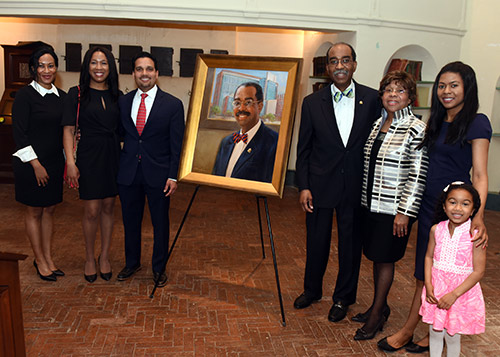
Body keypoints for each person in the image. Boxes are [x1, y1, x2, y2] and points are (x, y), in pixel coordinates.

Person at [378, 62, 491, 352]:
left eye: (454, 85)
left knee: (431, 273)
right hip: (426, 205)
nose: (446, 91)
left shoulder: (477, 122)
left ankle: (407, 331)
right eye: (441, 85)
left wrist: (476, 217)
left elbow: (479, 175)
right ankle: (432, 330)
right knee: (427, 271)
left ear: (467, 87)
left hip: (451, 212)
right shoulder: (436, 120)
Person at [294, 42, 381, 322]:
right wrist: (303, 185)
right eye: (334, 61)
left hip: (356, 185)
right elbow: (304, 148)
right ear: (327, 67)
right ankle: (312, 290)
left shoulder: (372, 99)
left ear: (354, 64)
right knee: (316, 241)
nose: (339, 66)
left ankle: (343, 297)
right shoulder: (311, 102)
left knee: (350, 245)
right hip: (320, 184)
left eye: (345, 60)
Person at [353, 71, 428, 341]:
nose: (392, 95)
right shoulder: (377, 125)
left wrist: (405, 213)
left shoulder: (416, 128)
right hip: (370, 204)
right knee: (375, 256)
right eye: (388, 90)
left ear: (410, 97)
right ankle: (379, 305)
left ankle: (376, 316)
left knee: (385, 259)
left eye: (400, 91)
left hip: (394, 211)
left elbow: (418, 175)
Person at [116, 51, 185, 287]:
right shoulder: (123, 102)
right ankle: (132, 262)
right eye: (139, 69)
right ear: (133, 73)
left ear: (156, 73)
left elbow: (178, 145)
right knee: (130, 222)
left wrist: (173, 176)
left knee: (160, 224)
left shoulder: (173, 105)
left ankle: (159, 268)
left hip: (159, 174)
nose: (144, 73)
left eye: (148, 69)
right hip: (129, 173)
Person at [62, 47, 121, 283]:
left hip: (113, 156)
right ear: (87, 66)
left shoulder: (118, 96)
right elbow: (68, 129)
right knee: (92, 210)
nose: (99, 67)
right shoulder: (75, 94)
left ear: (110, 67)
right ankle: (89, 257)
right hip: (87, 156)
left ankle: (104, 256)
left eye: (104, 63)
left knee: (109, 207)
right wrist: (70, 162)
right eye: (94, 63)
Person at [12, 46, 66, 281]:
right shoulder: (24, 96)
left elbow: (65, 131)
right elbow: (20, 134)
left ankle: (48, 257)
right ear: (34, 68)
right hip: (30, 163)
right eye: (42, 66)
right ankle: (39, 259)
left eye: (51, 65)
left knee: (50, 209)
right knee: (34, 210)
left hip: (54, 162)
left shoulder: (61, 97)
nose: (47, 70)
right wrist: (35, 164)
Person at [420, 182, 485, 357]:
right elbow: (428, 257)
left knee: (452, 335)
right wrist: (428, 283)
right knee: (435, 331)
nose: (458, 208)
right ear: (444, 205)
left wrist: (454, 294)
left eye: (465, 204)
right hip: (437, 289)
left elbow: (478, 271)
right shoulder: (436, 229)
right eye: (453, 202)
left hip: (459, 293)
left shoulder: (475, 234)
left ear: (473, 210)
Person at [213, 82, 278, 183]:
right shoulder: (226, 142)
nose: (241, 108)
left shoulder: (274, 143)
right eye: (237, 103)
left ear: (260, 106)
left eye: (248, 103)